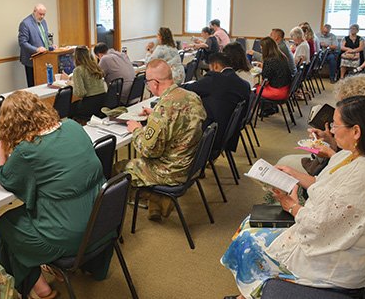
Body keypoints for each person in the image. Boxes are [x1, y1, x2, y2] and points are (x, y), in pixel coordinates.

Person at [222, 95, 365, 299]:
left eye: (335, 124)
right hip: (329, 235)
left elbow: (320, 227)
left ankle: (250, 294)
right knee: (249, 225)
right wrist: (293, 174)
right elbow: (325, 187)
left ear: (356, 131)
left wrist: (292, 206)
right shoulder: (351, 154)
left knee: (248, 242)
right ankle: (250, 294)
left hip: (337, 263)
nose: (331, 130)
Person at [0, 91, 107, 299]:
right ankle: (52, 268)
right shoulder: (73, 127)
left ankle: (40, 289)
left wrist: (2, 142)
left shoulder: (28, 151)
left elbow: (2, 175)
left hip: (68, 234)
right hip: (100, 222)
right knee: (36, 208)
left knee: (5, 225)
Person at [116, 59, 206, 221]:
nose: (147, 86)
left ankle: (158, 198)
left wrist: (136, 129)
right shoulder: (191, 96)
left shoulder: (164, 109)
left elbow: (148, 151)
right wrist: (154, 114)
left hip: (171, 171)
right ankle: (157, 205)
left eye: (147, 82)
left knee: (118, 168)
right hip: (191, 163)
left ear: (155, 83)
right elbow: (180, 119)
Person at [184, 53, 251, 152]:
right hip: (229, 133)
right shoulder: (244, 84)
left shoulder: (216, 79)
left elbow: (188, 88)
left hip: (211, 135)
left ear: (215, 66)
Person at [18, 4, 55, 87]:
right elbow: (22, 43)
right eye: (40, 14)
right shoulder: (25, 23)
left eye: (43, 14)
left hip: (43, 59)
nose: (42, 16)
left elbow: (44, 38)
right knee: (33, 86)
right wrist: (36, 49)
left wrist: (51, 46)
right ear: (34, 12)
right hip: (32, 60)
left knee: (44, 85)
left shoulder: (43, 22)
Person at [69, 46, 106, 119]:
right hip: (103, 101)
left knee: (70, 108)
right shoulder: (96, 66)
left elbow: (81, 93)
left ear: (76, 57)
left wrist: (73, 85)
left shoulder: (78, 70)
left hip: (90, 105)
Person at [258, 37, 292, 101]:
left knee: (254, 89)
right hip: (286, 88)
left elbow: (265, 81)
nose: (261, 50)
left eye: (262, 48)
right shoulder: (282, 56)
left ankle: (266, 108)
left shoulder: (269, 60)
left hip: (278, 92)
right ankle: (270, 107)